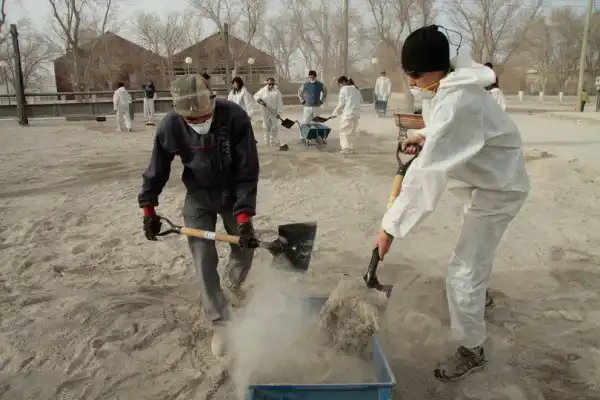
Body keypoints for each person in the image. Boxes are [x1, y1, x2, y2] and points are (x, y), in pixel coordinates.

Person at [373, 25, 530, 382]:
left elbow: (428, 176)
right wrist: (422, 135)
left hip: (498, 190)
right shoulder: (448, 87)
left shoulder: (461, 99)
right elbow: (441, 127)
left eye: (416, 74)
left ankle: (472, 349)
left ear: (437, 68)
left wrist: (389, 228)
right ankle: (480, 297)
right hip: (484, 182)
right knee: (475, 256)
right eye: (408, 73)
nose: (411, 82)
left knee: (462, 272)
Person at [138, 74, 259, 358]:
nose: (200, 121)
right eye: (192, 119)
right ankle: (220, 322)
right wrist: (149, 210)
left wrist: (243, 217)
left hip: (233, 193)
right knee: (203, 257)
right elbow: (157, 169)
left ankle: (232, 284)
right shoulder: (170, 126)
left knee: (244, 248)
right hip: (198, 196)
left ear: (212, 101)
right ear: (180, 113)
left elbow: (247, 170)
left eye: (204, 115)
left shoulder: (234, 117)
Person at [332, 76, 362, 155]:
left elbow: (341, 103)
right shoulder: (356, 89)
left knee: (343, 131)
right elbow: (360, 100)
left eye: (340, 84)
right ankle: (352, 148)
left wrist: (335, 113)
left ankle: (345, 148)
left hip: (348, 114)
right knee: (352, 131)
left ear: (343, 82)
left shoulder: (344, 89)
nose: (340, 86)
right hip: (356, 114)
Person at [254, 77, 284, 147]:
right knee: (266, 126)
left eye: (272, 84)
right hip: (265, 111)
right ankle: (266, 141)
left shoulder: (277, 92)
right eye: (269, 84)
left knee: (275, 126)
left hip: (274, 111)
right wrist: (259, 100)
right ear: (267, 83)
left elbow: (280, 103)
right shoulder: (262, 90)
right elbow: (255, 96)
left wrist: (279, 113)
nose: (271, 85)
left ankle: (272, 141)